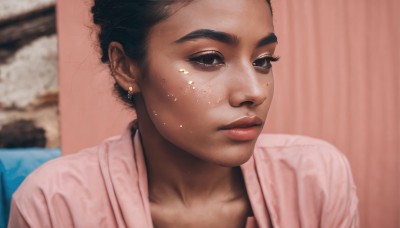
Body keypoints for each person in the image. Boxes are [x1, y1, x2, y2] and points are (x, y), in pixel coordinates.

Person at [8, 0, 359, 227]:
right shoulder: (55, 205)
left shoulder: (316, 180)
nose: (254, 91)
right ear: (126, 66)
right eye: (208, 58)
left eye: (263, 60)